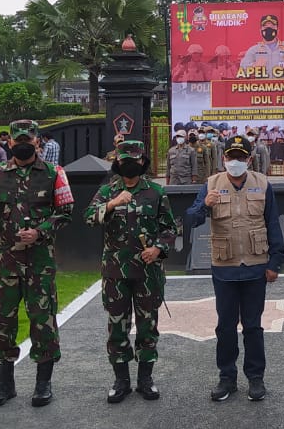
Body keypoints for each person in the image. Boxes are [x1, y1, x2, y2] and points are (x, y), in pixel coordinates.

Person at [0, 119, 76, 409]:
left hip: (39, 262)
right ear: (9, 143)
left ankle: (43, 384)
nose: (22, 143)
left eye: (27, 139)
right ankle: (5, 384)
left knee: (42, 321)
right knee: (1, 322)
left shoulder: (55, 173)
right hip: (5, 262)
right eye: (17, 139)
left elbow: (66, 212)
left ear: (37, 142)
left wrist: (40, 231)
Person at [185, 136, 284, 402]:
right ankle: (226, 378)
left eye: (241, 157)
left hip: (255, 266)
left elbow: (272, 223)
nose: (236, 162)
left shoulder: (263, 184)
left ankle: (255, 378)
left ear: (249, 160)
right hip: (225, 268)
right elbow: (191, 219)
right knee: (225, 327)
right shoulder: (211, 184)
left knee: (253, 326)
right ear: (223, 159)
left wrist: (275, 262)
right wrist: (205, 205)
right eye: (231, 157)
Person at [85, 139, 178, 403]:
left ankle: (145, 379)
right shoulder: (107, 190)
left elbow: (170, 228)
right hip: (116, 272)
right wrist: (112, 204)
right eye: (124, 159)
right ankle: (121, 380)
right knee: (117, 327)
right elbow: (89, 217)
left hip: (147, 273)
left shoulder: (156, 192)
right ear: (117, 163)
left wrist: (158, 249)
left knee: (148, 326)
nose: (129, 164)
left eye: (134, 160)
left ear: (142, 162)